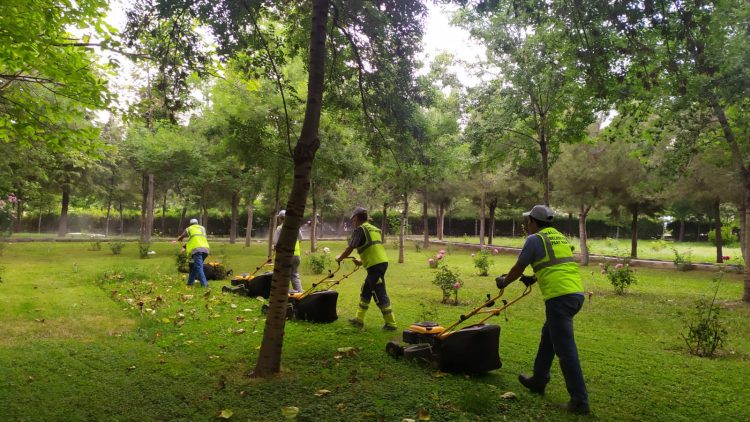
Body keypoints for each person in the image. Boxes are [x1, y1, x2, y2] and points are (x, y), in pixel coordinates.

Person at [496, 205, 590, 415]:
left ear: (533, 222)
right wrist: (534, 278)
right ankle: (538, 380)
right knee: (548, 336)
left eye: (527, 221)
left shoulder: (534, 239)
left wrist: (504, 282)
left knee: (566, 351)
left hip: (559, 298)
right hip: (575, 295)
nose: (526, 225)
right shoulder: (558, 237)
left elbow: (518, 267)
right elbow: (555, 264)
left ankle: (580, 401)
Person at [336, 206, 397, 331]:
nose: (353, 221)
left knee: (379, 292)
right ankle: (359, 320)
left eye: (353, 219)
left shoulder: (360, 229)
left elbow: (350, 248)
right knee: (366, 290)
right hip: (380, 263)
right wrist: (361, 261)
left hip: (375, 266)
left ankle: (391, 324)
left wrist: (340, 258)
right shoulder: (374, 229)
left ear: (357, 218)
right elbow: (372, 249)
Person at [273, 210, 303, 293]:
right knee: (295, 274)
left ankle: (283, 292)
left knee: (283, 274)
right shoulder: (296, 227)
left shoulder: (279, 228)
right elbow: (301, 239)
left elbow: (275, 243)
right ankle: (299, 293)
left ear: (280, 219)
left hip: (285, 255)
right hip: (297, 255)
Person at [177, 218, 210, 288]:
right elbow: (195, 239)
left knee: (199, 267)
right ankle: (190, 283)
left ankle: (205, 285)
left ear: (190, 224)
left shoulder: (189, 228)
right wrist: (185, 246)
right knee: (195, 267)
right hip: (205, 250)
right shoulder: (202, 228)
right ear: (197, 223)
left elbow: (182, 236)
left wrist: (180, 239)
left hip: (197, 250)